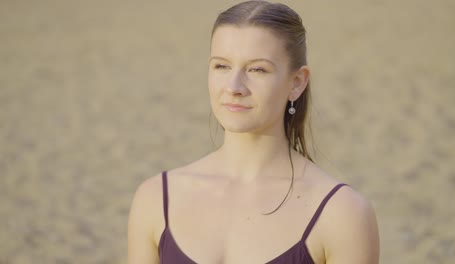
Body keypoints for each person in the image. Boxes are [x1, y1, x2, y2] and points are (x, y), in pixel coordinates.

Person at [128, 1, 380, 263]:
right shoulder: (155, 198)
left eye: (257, 69)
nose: (234, 86)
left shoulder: (343, 214)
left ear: (297, 83)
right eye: (221, 66)